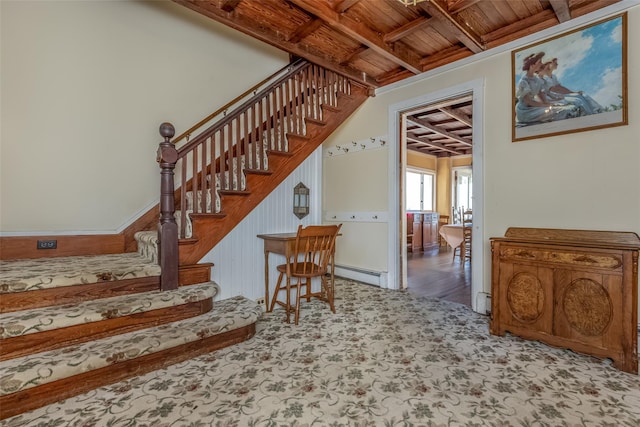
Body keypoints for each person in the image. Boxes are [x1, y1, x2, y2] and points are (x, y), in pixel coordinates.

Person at [515, 52, 580, 125]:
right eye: (539, 62)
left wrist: (549, 104)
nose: (541, 64)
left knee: (566, 108)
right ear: (532, 65)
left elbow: (541, 95)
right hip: (526, 111)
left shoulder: (537, 80)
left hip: (535, 106)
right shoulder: (524, 81)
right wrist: (545, 106)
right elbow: (528, 101)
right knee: (562, 111)